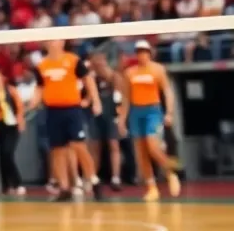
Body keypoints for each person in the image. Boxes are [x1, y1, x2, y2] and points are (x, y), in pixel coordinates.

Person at [34, 40, 102, 201]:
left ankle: (93, 179)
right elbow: (39, 87)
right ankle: (64, 187)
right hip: (52, 110)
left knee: (78, 145)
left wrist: (95, 100)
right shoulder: (42, 65)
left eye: (55, 39)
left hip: (71, 109)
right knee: (57, 149)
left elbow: (88, 80)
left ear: (62, 42)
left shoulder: (73, 60)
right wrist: (33, 102)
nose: (52, 43)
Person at [118, 40, 181, 201]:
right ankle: (151, 186)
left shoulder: (158, 69)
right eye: (138, 51)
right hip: (136, 111)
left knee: (152, 146)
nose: (141, 54)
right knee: (140, 152)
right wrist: (122, 119)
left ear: (150, 52)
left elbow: (167, 91)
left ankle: (170, 173)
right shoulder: (130, 73)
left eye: (144, 51)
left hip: (153, 110)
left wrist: (169, 112)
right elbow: (126, 98)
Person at [88, 51, 123, 191]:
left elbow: (120, 98)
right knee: (95, 147)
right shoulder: (91, 78)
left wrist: (120, 118)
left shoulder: (114, 76)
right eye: (95, 60)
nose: (98, 63)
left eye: (101, 60)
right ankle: (93, 177)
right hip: (97, 115)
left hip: (111, 114)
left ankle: (116, 177)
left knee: (114, 145)